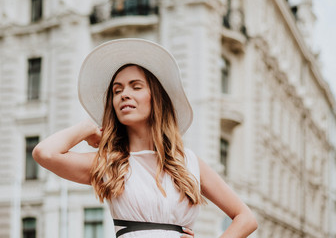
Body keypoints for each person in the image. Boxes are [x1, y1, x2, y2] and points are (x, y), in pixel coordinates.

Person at [32, 38, 258, 238]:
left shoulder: (189, 163)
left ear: (155, 98)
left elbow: (246, 219)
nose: (124, 94)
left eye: (135, 86)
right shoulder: (109, 163)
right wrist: (88, 128)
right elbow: (45, 153)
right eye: (117, 90)